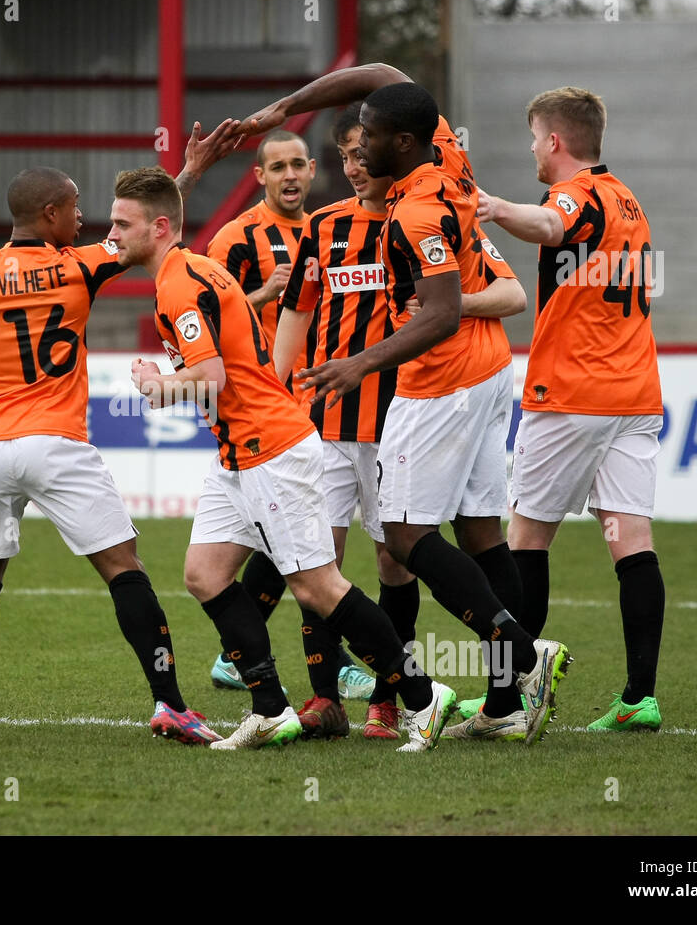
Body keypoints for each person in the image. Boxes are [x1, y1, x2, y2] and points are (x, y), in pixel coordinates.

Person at [0, 124, 238, 744]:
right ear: (49, 214)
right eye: (75, 208)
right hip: (57, 444)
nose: (90, 220)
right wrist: (191, 171)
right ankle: (170, 703)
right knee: (125, 569)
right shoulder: (77, 269)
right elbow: (149, 229)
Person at [245, 71, 571, 745]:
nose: (357, 149)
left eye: (367, 138)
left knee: (402, 535)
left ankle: (518, 649)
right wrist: (290, 105)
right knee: (481, 528)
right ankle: (507, 703)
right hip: (487, 375)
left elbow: (444, 312)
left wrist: (361, 361)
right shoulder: (445, 160)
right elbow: (391, 78)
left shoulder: (417, 211)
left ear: (401, 142)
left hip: (441, 381)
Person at [112, 165, 460, 752]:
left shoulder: (178, 283)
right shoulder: (189, 270)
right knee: (205, 574)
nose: (112, 234)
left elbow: (209, 374)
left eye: (122, 223)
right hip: (239, 454)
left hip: (270, 449)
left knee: (318, 587)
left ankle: (424, 697)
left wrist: (157, 384)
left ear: (160, 226)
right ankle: (271, 709)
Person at [476, 87, 665, 732]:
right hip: (634, 393)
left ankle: (507, 700)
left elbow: (553, 224)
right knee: (631, 542)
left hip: (572, 395)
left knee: (527, 538)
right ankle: (641, 697)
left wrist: (494, 208)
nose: (532, 149)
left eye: (534, 138)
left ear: (555, 141)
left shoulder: (575, 194)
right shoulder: (628, 200)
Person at [203, 129, 376, 704]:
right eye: (277, 167)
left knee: (296, 541)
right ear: (259, 176)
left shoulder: (332, 227)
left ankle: (240, 657)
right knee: (309, 545)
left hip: (324, 397)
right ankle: (344, 668)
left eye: (299, 164)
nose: (291, 176)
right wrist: (260, 294)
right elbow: (204, 319)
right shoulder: (236, 237)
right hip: (268, 406)